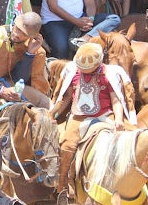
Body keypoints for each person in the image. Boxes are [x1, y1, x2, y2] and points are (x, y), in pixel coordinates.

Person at [52, 43, 136, 204]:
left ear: (98, 63)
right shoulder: (73, 73)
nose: (83, 70)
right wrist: (54, 113)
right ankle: (63, 184)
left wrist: (119, 119)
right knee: (66, 145)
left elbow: (116, 99)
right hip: (78, 116)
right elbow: (66, 97)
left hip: (105, 114)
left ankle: (134, 182)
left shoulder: (109, 74)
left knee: (130, 140)